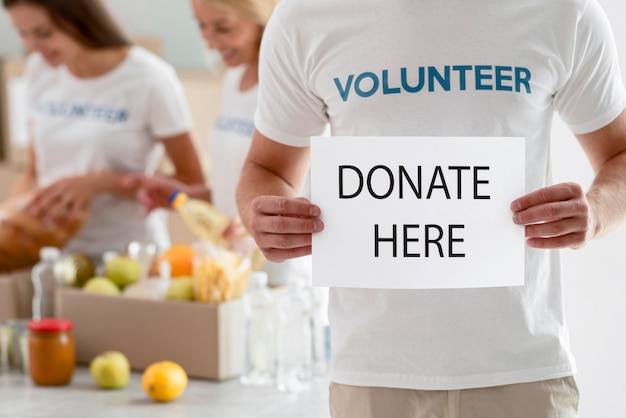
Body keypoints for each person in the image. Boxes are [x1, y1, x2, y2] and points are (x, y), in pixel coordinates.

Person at [235, 0, 626, 416]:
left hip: (522, 369)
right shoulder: (306, 17)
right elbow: (265, 168)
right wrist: (264, 218)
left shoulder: (563, 12)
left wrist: (597, 212)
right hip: (373, 375)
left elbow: (619, 153)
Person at [2, 0, 204, 262]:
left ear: (79, 18)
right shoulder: (38, 71)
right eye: (22, 32)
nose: (32, 46)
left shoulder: (150, 79)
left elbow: (192, 182)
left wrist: (102, 183)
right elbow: (34, 172)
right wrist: (9, 222)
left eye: (44, 33)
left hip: (129, 258)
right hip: (55, 257)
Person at [128, 0, 311, 286]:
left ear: (261, 20)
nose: (210, 43)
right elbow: (237, 188)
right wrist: (189, 196)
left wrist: (255, 220)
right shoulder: (233, 80)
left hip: (285, 278)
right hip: (232, 271)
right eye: (201, 25)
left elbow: (306, 186)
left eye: (222, 28)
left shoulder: (293, 88)